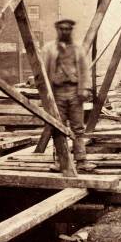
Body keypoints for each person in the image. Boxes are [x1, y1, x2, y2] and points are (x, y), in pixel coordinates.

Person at [42, 18, 94, 172]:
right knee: (58, 127)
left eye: (68, 29)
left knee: (78, 127)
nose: (65, 31)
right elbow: (43, 71)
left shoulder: (78, 49)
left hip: (74, 92)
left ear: (71, 30)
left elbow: (84, 70)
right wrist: (46, 94)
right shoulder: (49, 49)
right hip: (57, 93)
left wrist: (85, 89)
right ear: (57, 30)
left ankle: (81, 160)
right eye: (62, 29)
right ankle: (61, 161)